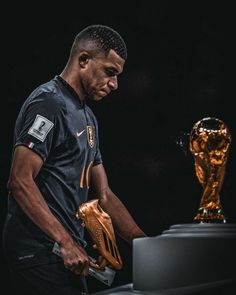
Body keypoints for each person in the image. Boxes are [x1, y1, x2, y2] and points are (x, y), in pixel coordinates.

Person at [2, 24, 146, 295]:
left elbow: (104, 195)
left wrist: (145, 246)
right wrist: (65, 241)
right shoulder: (48, 103)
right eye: (110, 72)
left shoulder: (88, 117)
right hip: (38, 253)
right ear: (83, 60)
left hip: (67, 257)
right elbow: (20, 181)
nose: (114, 84)